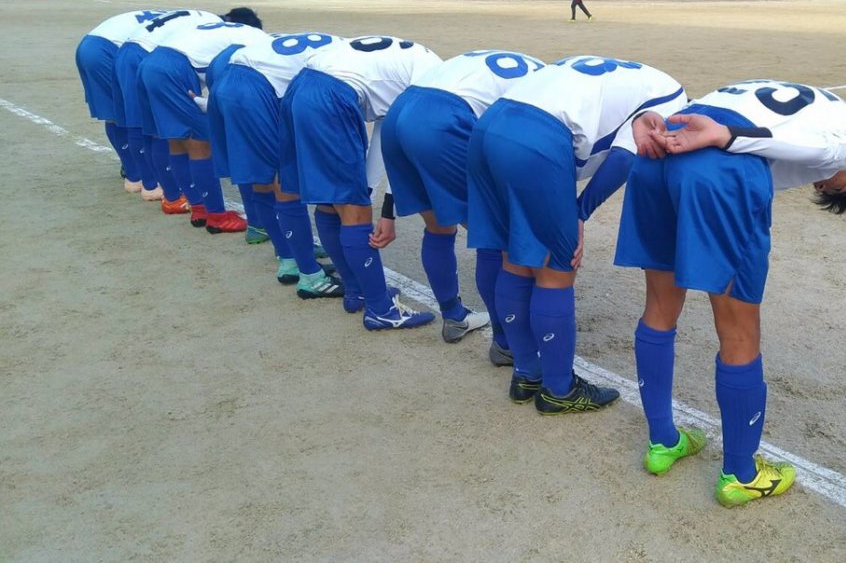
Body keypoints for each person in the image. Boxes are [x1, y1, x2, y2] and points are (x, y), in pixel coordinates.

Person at [614, 79, 846, 508]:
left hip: (662, 150)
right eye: (837, 187)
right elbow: (830, 151)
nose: (822, 187)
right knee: (739, 331)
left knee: (660, 307)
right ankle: (741, 474)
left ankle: (663, 440)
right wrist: (727, 136)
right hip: (716, 159)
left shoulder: (805, 105)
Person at [467, 55, 686, 414]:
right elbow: (626, 157)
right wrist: (580, 211)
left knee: (512, 256)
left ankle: (526, 373)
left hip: (490, 124)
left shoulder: (639, 78)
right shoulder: (675, 98)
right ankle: (559, 389)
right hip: (536, 137)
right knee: (556, 269)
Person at [381, 50, 546, 355]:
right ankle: (506, 342)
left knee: (438, 226)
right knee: (495, 237)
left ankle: (453, 315)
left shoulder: (539, 72)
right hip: (442, 117)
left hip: (400, 109)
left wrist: (387, 210)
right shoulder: (552, 96)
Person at [280, 35, 443, 330]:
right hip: (330, 95)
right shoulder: (433, 83)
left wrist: (368, 191)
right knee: (354, 210)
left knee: (331, 201)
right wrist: (383, 208)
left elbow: (385, 133)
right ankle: (381, 310)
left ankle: (357, 291)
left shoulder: (421, 63)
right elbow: (403, 147)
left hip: (301, 85)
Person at [203, 32, 345, 297]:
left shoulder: (339, 47)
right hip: (254, 89)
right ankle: (310, 276)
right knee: (285, 181)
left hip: (230, 80)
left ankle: (289, 259)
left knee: (264, 180)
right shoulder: (344, 63)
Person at [139, 8, 271, 234]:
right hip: (174, 69)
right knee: (201, 143)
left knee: (177, 140)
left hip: (151, 63)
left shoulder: (220, 30)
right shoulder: (257, 39)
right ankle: (217, 216)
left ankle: (199, 207)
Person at [119, 8, 228, 219]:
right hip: (156, 55)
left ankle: (157, 188)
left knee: (150, 127)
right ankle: (182, 197)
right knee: (192, 135)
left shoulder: (207, 20)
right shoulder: (232, 35)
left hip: (129, 51)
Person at [76, 9, 169, 195]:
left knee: (114, 115)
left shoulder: (189, 19)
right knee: (137, 114)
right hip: (109, 50)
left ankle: (133, 174)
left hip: (89, 45)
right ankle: (147, 180)